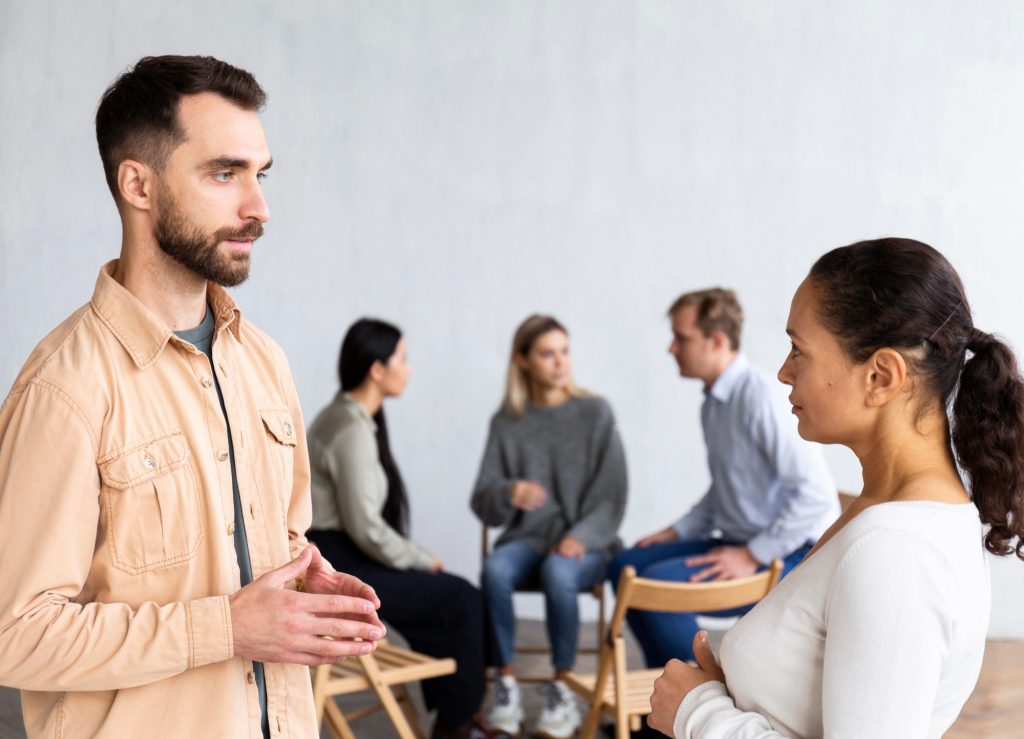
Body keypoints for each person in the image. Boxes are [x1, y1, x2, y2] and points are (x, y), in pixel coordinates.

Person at [0, 56, 385, 738]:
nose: (258, 207)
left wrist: (302, 580)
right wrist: (225, 627)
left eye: (259, 175)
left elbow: (276, 543)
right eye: (223, 173)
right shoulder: (63, 388)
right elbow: (16, 636)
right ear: (138, 184)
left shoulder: (264, 361)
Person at [648, 237, 1024, 738]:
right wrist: (729, 693)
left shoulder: (897, 552)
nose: (783, 372)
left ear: (880, 375)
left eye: (798, 350)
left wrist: (698, 713)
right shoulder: (882, 511)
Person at [608, 288, 839, 669]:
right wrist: (677, 531)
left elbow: (814, 496)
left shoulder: (760, 397)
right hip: (740, 540)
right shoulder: (715, 404)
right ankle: (660, 700)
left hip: (791, 552)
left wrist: (752, 555)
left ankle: (698, 703)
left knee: (656, 586)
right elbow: (726, 489)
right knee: (623, 564)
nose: (671, 348)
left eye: (681, 338)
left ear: (717, 341)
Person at [307, 318, 502, 739]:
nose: (409, 368)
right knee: (462, 599)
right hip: (339, 562)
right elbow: (367, 529)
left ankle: (459, 713)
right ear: (377, 369)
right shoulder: (348, 429)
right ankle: (457, 722)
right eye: (403, 359)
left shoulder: (353, 418)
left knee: (455, 599)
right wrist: (420, 558)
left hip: (345, 553)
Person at [472, 314, 629, 738]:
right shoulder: (507, 422)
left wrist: (579, 537)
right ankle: (505, 683)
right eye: (546, 353)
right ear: (523, 361)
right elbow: (483, 501)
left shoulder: (595, 412)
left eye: (564, 351)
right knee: (495, 570)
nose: (560, 362)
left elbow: (612, 495)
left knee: (558, 571)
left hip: (586, 543)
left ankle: (561, 690)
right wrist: (509, 493)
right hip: (527, 538)